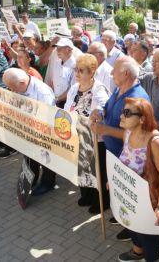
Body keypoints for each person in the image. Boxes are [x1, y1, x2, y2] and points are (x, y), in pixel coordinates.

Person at [90, 56, 149, 240]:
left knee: (130, 197)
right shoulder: (118, 90)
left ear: (125, 73)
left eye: (114, 70)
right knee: (119, 193)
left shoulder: (136, 98)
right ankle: (124, 220)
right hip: (114, 154)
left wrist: (106, 129)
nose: (110, 72)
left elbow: (139, 135)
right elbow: (107, 108)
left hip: (129, 159)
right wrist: (99, 113)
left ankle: (135, 234)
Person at [108, 98, 159, 262]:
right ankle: (137, 252)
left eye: (127, 113)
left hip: (148, 199)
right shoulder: (128, 133)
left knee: (148, 235)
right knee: (131, 225)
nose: (121, 116)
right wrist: (114, 181)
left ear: (142, 118)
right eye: (123, 111)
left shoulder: (156, 141)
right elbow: (125, 159)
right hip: (129, 195)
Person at [64, 54, 110, 212]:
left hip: (95, 140)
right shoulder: (74, 88)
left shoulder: (99, 88)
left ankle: (101, 202)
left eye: (81, 70)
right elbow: (67, 108)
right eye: (76, 69)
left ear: (91, 72)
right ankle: (87, 195)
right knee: (82, 167)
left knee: (97, 171)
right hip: (78, 137)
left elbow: (105, 107)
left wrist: (98, 112)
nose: (77, 73)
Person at [2, 68, 56, 195]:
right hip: (28, 129)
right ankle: (32, 179)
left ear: (22, 83)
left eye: (13, 88)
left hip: (43, 132)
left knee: (46, 159)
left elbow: (48, 118)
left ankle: (48, 183)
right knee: (30, 157)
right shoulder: (21, 86)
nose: (13, 91)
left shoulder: (42, 93)